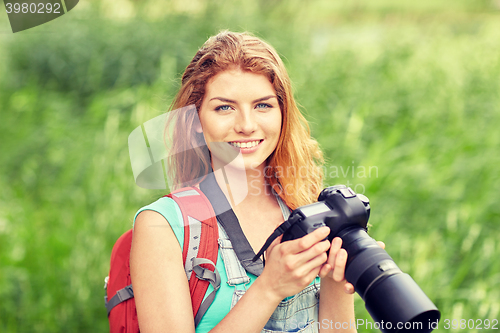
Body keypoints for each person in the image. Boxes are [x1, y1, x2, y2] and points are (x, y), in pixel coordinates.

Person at [130, 30, 363, 333]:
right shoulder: (163, 226)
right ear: (196, 121)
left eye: (263, 105)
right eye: (224, 107)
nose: (246, 125)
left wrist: (335, 279)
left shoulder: (304, 207)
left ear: (282, 113)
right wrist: (269, 288)